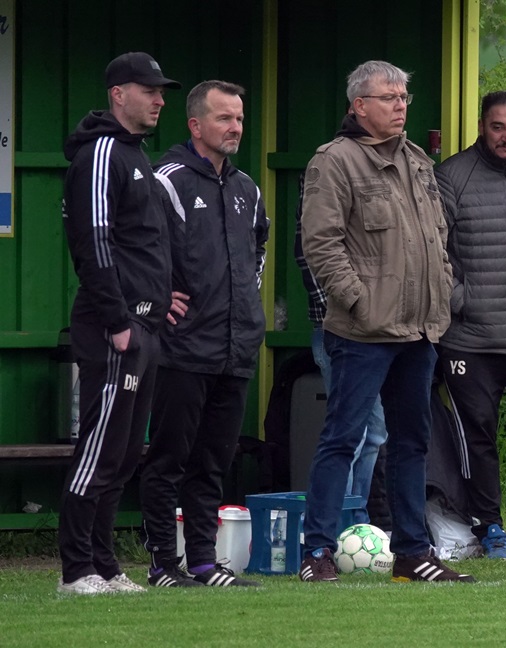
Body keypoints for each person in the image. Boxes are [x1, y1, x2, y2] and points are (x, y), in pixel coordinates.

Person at [300, 60, 473, 583]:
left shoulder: (417, 160)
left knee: (412, 443)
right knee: (343, 439)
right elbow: (321, 244)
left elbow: (437, 238)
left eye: (404, 97)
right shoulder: (334, 161)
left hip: (419, 331)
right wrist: (359, 302)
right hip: (362, 332)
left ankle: (412, 554)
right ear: (359, 105)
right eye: (389, 97)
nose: (400, 106)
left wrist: (441, 290)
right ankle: (316, 552)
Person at [58, 52, 179, 595]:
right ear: (118, 94)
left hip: (146, 327)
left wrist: (162, 298)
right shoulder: (101, 153)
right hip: (115, 328)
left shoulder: (136, 155)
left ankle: (105, 567)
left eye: (162, 91)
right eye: (149, 90)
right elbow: (94, 241)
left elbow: (143, 244)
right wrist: (118, 319)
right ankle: (75, 570)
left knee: (126, 452)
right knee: (99, 449)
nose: (158, 100)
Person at [140, 80, 269, 587]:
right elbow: (138, 247)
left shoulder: (247, 188)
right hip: (182, 347)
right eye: (224, 118)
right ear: (195, 125)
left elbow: (258, 251)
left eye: (239, 118)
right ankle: (161, 564)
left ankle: (202, 562)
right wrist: (157, 297)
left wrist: (247, 307)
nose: (235, 127)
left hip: (236, 347)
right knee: (169, 458)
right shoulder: (166, 180)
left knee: (214, 462)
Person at [433, 91, 506, 559]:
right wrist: (463, 302)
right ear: (482, 126)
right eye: (498, 127)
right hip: (470, 339)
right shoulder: (451, 177)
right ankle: (487, 525)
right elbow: (434, 254)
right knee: (477, 433)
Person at [294, 170, 390, 530]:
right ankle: (334, 525)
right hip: (336, 330)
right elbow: (309, 254)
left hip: (378, 331)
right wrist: (348, 309)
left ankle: (356, 520)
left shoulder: (389, 172)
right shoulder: (325, 170)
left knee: (376, 432)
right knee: (351, 434)